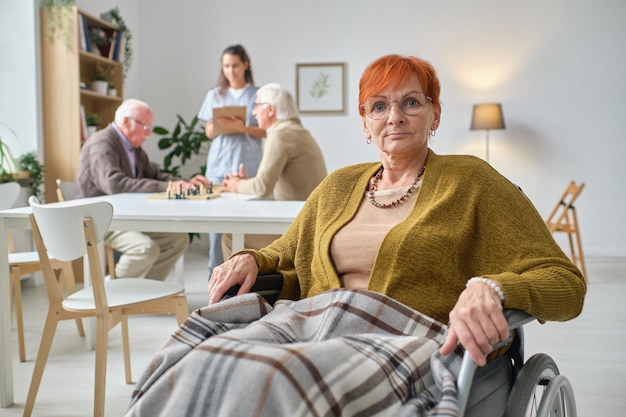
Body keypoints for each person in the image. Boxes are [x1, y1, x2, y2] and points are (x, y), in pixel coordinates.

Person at [126, 55, 586, 416]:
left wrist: (493, 287)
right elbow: (285, 253)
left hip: (405, 339)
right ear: (365, 123)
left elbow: (565, 282)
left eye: (411, 102)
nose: (395, 117)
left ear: (434, 115)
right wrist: (253, 259)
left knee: (267, 380)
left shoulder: (472, 181)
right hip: (312, 323)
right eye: (379, 106)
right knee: (194, 361)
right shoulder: (339, 185)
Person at [77, 98, 210, 280]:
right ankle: (112, 296)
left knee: (178, 240)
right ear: (125, 121)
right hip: (101, 220)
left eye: (150, 128)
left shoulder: (133, 148)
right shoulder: (101, 144)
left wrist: (184, 183)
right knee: (145, 249)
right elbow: (114, 184)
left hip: (125, 216)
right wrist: (168, 186)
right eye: (144, 126)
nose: (148, 133)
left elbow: (156, 176)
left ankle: (144, 293)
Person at [220, 83, 327, 258]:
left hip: (299, 228)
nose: (253, 112)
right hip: (311, 222)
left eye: (256, 106)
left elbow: (262, 188)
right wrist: (245, 183)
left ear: (270, 110)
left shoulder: (279, 135)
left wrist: (235, 184)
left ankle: (239, 286)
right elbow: (269, 185)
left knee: (230, 238)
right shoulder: (297, 131)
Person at [197, 44, 266, 278]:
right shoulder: (215, 95)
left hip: (248, 165)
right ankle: (214, 277)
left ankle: (244, 276)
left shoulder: (259, 94)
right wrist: (221, 125)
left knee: (248, 222)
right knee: (215, 227)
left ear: (245, 64)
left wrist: (242, 127)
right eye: (226, 66)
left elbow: (266, 131)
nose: (230, 71)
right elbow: (208, 131)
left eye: (235, 65)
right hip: (219, 164)